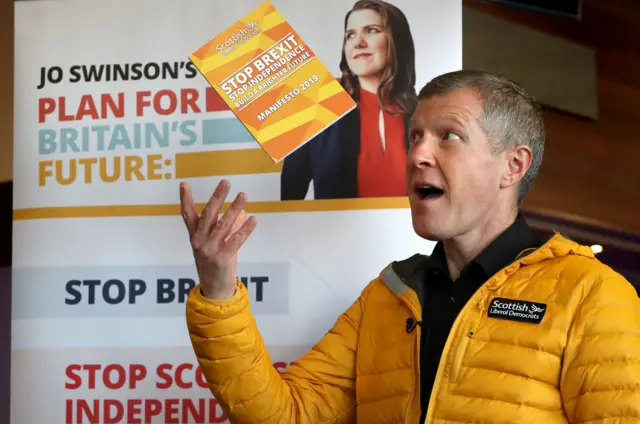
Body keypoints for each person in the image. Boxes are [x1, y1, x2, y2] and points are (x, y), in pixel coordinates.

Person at [179, 69, 640, 423]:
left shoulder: (590, 293)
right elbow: (286, 413)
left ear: (512, 166)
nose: (418, 154)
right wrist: (218, 290)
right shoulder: (386, 297)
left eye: (449, 136)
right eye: (415, 136)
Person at [280, 0, 417, 200]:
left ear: (396, 40)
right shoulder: (316, 110)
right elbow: (289, 200)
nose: (358, 42)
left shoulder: (424, 113)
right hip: (332, 231)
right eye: (350, 35)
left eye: (371, 30)